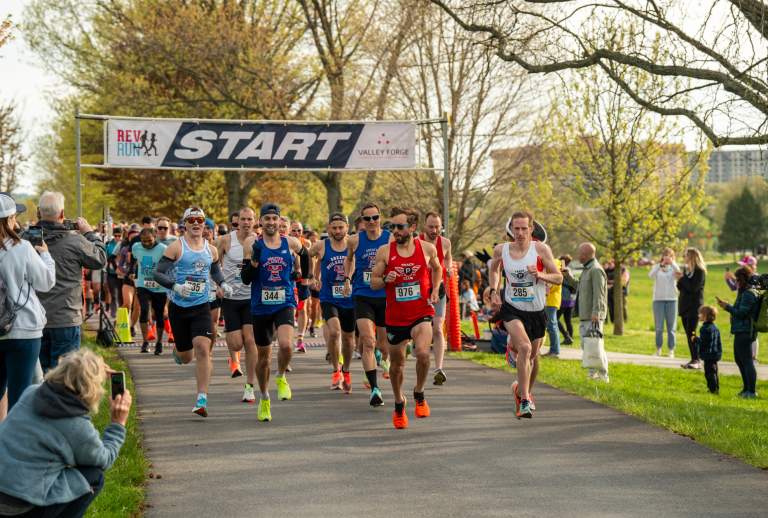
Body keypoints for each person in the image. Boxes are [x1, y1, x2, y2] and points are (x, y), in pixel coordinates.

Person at [0, 350, 132, 518]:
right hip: (20, 507)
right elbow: (105, 459)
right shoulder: (77, 426)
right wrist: (118, 424)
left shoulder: (31, 393)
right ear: (92, 389)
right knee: (94, 476)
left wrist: (81, 368)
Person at [153, 207, 233, 417]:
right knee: (186, 356)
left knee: (203, 348)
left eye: (200, 220)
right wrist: (175, 286)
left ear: (204, 223)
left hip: (201, 306)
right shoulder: (176, 248)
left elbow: (214, 270)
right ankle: (179, 352)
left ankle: (201, 399)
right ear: (185, 224)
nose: (196, 223)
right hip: (179, 308)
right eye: (192, 220)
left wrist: (223, 283)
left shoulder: (211, 250)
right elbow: (158, 273)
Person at [370, 207, 442, 429]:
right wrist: (386, 279)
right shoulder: (385, 251)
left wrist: (435, 289)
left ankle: (419, 392)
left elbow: (437, 268)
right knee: (397, 365)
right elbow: (373, 282)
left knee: (423, 354)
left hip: (421, 312)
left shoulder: (427, 248)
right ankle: (399, 402)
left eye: (400, 227)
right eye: (392, 226)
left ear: (412, 227)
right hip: (396, 317)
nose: (395, 231)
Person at [488, 211, 562, 418]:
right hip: (512, 309)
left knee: (533, 357)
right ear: (511, 229)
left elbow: (558, 278)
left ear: (531, 229)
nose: (520, 233)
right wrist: (494, 290)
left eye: (524, 229)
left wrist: (540, 275)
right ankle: (524, 401)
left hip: (537, 311)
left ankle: (521, 390)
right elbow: (494, 269)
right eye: (516, 229)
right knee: (525, 348)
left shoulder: (540, 249)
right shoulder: (501, 250)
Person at [241, 203, 308, 422]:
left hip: (284, 301)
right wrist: (254, 261)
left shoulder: (290, 242)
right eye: (267, 219)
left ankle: (280, 376)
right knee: (263, 359)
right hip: (260, 306)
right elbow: (245, 279)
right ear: (261, 222)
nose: (271, 222)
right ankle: (264, 397)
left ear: (280, 221)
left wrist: (304, 278)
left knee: (287, 345)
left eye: (274, 218)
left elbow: (305, 254)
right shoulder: (252, 244)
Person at [33, 191, 106, 372]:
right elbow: (100, 258)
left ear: (38, 212)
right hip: (66, 318)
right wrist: (89, 233)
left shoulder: (25, 240)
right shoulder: (75, 241)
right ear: (62, 214)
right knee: (65, 377)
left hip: (34, 319)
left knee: (36, 377)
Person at [0, 193, 55, 414]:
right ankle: (15, 436)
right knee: (20, 395)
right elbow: (46, 282)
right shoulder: (22, 248)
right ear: (9, 219)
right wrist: (45, 255)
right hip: (24, 328)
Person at [343, 203, 392, 407]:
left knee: (384, 343)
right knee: (368, 341)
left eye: (375, 217)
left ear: (380, 217)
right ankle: (375, 389)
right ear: (362, 221)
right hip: (362, 295)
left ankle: (381, 358)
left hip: (384, 295)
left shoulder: (389, 238)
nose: (372, 222)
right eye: (367, 218)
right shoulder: (354, 240)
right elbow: (348, 260)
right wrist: (347, 278)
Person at [216, 207, 258, 403]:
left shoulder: (259, 241)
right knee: (236, 343)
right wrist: (218, 284)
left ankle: (249, 386)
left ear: (255, 221)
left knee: (250, 340)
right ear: (237, 221)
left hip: (251, 297)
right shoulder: (226, 240)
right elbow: (213, 264)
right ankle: (233, 358)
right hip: (231, 298)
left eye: (250, 219)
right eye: (243, 219)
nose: (246, 222)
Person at [310, 213, 355, 393]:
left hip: (349, 297)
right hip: (328, 297)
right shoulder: (322, 245)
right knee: (335, 332)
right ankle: (336, 371)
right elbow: (307, 255)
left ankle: (347, 370)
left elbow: (359, 262)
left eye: (340, 227)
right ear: (329, 228)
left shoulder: (353, 243)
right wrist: (313, 276)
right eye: (334, 227)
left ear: (347, 228)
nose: (337, 231)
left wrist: (351, 280)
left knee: (349, 339)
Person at [419, 212, 453, 385]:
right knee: (419, 328)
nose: (434, 230)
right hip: (419, 290)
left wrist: (449, 269)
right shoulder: (416, 242)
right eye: (431, 226)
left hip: (438, 289)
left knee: (438, 328)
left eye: (437, 227)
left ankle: (439, 369)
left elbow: (448, 260)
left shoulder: (445, 243)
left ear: (441, 227)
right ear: (424, 226)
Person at [716, 266, 759, 398]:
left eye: (737, 279)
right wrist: (728, 306)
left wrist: (727, 307)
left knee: (746, 361)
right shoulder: (744, 292)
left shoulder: (748, 294)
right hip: (740, 330)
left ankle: (751, 391)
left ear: (743, 279)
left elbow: (741, 313)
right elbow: (739, 310)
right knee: (739, 360)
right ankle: (746, 389)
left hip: (745, 331)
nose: (736, 282)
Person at [131, 228, 167, 354]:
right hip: (143, 284)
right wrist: (132, 272)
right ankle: (145, 342)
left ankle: (159, 342)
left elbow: (169, 266)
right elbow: (134, 260)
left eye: (149, 241)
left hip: (159, 286)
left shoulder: (163, 249)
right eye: (144, 241)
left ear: (155, 237)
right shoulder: (136, 247)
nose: (146, 244)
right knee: (144, 310)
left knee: (159, 314)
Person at [576, 242, 608, 380]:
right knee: (588, 346)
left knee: (596, 346)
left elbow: (599, 294)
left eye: (580, 253)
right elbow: (580, 288)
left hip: (593, 315)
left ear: (586, 254)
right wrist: (567, 276)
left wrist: (597, 313)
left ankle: (603, 375)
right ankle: (592, 373)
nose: (578, 256)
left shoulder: (595, 270)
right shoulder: (587, 269)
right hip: (585, 314)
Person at [677, 248, 706, 369]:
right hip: (684, 306)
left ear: (692, 257)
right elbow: (681, 287)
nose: (684, 257)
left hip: (694, 307)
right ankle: (694, 359)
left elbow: (693, 288)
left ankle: (697, 360)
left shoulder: (700, 272)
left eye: (686, 255)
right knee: (689, 334)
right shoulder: (687, 271)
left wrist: (683, 279)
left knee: (692, 332)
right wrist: (680, 279)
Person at [649, 248, 680, 357]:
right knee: (659, 327)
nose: (667, 258)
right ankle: (658, 349)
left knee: (671, 327)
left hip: (672, 299)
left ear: (672, 257)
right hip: (658, 300)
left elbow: (679, 274)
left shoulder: (674, 267)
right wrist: (660, 265)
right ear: (662, 257)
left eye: (669, 256)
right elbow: (651, 276)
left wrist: (672, 263)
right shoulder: (657, 267)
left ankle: (671, 350)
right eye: (665, 255)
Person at [290, 220, 312, 353]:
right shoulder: (286, 243)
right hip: (290, 279)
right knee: (291, 309)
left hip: (302, 280)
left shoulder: (307, 243)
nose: (296, 233)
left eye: (299, 230)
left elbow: (311, 260)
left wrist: (310, 277)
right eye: (294, 230)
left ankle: (300, 340)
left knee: (303, 308)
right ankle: (288, 337)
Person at [692, 305, 722, 394]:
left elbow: (704, 342)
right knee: (714, 372)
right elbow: (718, 342)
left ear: (705, 316)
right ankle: (716, 388)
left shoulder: (704, 329)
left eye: (700, 314)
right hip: (715, 354)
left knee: (709, 373)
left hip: (708, 355)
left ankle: (712, 390)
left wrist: (695, 339)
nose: (699, 316)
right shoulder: (715, 327)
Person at [542, 256, 563, 358]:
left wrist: (546, 286)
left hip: (551, 302)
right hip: (548, 301)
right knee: (550, 326)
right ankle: (553, 350)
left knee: (552, 326)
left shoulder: (555, 269)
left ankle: (555, 351)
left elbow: (554, 285)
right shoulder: (552, 269)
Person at [557, 255, 577, 345]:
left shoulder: (563, 271)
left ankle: (566, 336)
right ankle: (570, 338)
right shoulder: (570, 270)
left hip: (564, 298)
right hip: (571, 299)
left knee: (555, 318)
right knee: (568, 320)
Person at [105, 226, 123, 318]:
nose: (117, 238)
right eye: (115, 236)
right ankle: (114, 313)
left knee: (121, 295)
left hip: (122, 274)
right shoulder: (109, 244)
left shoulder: (124, 244)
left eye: (119, 236)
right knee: (114, 294)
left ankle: (122, 313)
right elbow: (106, 257)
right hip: (111, 273)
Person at [604, 259, 629, 323]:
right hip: (609, 291)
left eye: (611, 263)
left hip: (622, 291)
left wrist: (612, 283)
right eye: (608, 263)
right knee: (611, 307)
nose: (609, 264)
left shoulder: (623, 269)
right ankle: (613, 321)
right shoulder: (607, 270)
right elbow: (604, 280)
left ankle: (624, 320)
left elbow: (623, 281)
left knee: (622, 306)